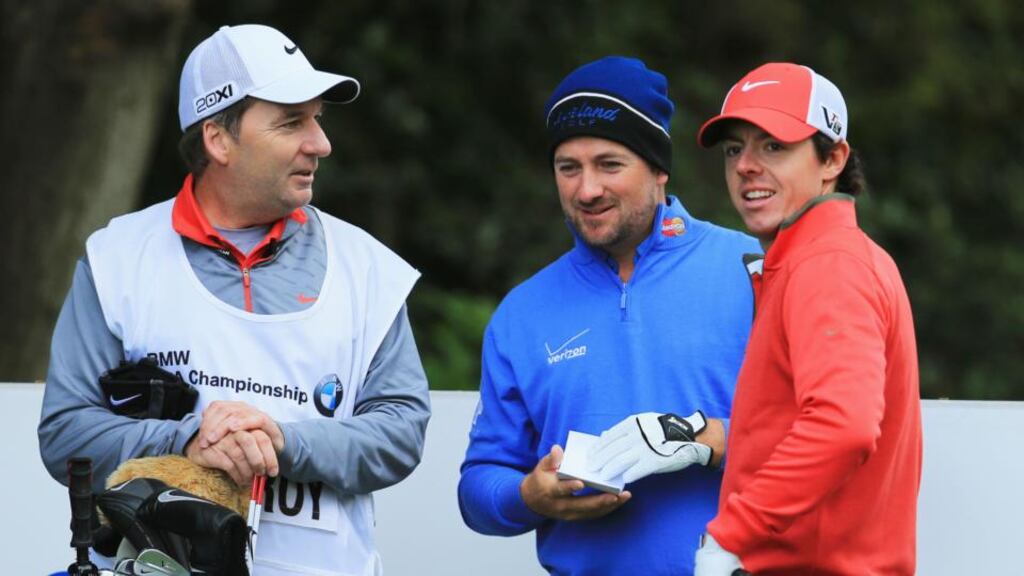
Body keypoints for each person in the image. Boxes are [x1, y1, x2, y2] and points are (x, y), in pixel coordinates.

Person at [37, 24, 430, 576]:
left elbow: (401, 431)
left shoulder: (367, 268)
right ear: (218, 140)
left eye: (317, 119)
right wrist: (188, 440)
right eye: (291, 122)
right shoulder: (116, 258)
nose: (320, 143)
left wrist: (283, 443)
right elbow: (66, 435)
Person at [458, 56, 760, 575]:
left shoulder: (754, 270)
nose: (587, 189)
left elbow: (823, 437)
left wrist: (713, 441)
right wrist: (529, 496)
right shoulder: (522, 313)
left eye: (609, 164)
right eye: (568, 168)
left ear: (659, 168)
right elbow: (479, 485)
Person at [692, 63, 922, 575]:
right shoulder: (827, 257)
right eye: (733, 149)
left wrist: (731, 535)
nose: (745, 166)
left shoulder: (827, 263)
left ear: (832, 159)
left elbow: (844, 425)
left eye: (773, 146)